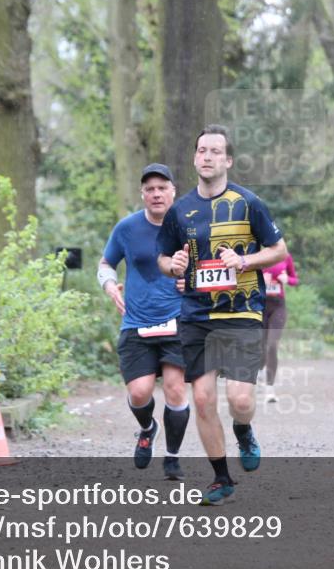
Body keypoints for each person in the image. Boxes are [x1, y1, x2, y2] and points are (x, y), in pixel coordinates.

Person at [157, 124, 287, 505]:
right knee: (201, 399)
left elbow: (279, 250)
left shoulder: (249, 203)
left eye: (216, 151)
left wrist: (244, 260)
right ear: (195, 158)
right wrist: (174, 265)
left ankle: (243, 430)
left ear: (228, 160)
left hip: (243, 312)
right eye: (202, 151)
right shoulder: (180, 211)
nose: (208, 157)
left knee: (241, 400)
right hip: (196, 314)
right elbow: (163, 258)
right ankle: (220, 478)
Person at [99, 163, 190, 481]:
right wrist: (110, 285)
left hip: (178, 321)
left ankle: (173, 458)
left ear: (173, 191)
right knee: (139, 393)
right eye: (149, 189)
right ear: (142, 194)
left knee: (176, 389)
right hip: (136, 322)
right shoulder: (126, 228)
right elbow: (106, 264)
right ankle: (147, 427)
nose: (156, 194)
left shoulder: (189, 228)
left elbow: (207, 269)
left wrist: (189, 281)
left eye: (162, 187)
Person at [260, 252, 298, 403]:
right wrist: (261, 281)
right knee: (260, 345)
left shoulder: (285, 256)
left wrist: (287, 279)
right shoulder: (258, 255)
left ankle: (270, 388)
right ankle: (258, 371)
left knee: (272, 345)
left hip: (278, 307)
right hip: (260, 305)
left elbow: (295, 279)